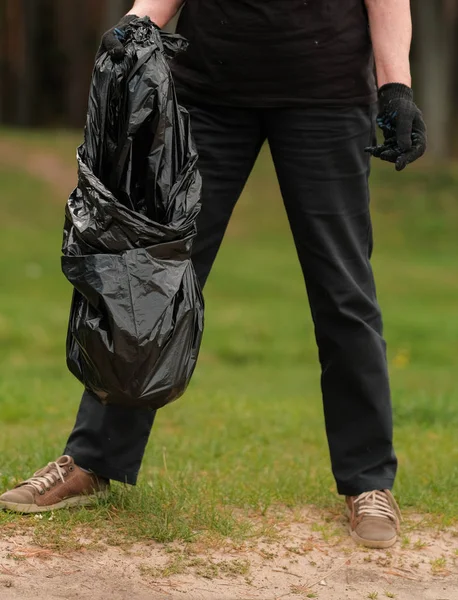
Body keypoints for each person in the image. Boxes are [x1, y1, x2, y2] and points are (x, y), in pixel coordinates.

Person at [0, 0, 426, 549]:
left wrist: (396, 86)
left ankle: (369, 483)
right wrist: (137, 23)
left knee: (344, 292)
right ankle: (92, 460)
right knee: (154, 283)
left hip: (326, 97)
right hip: (208, 94)